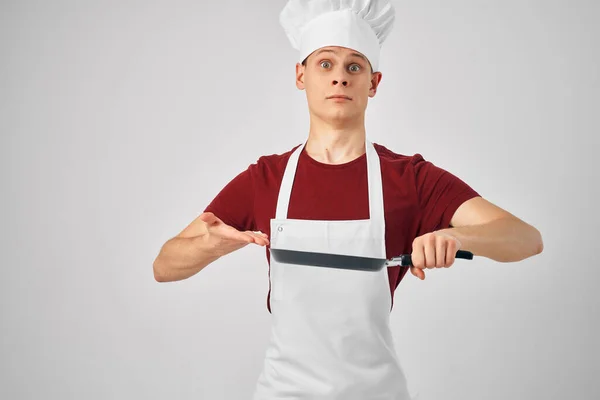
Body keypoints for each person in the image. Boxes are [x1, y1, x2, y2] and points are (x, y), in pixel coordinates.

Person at [152, 0, 544, 398]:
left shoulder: (410, 178)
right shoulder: (265, 179)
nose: (340, 78)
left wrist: (457, 238)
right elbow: (164, 265)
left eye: (354, 66)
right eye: (325, 64)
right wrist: (210, 246)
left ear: (373, 83)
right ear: (300, 75)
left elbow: (525, 238)